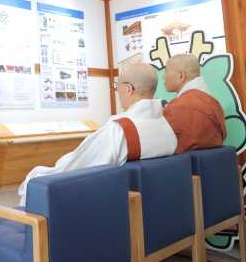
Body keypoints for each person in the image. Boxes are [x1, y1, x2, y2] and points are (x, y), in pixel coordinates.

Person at [18, 63, 176, 205]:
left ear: (128, 89)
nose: (117, 91)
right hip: (158, 203)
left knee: (35, 180)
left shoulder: (119, 130)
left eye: (117, 86)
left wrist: (36, 176)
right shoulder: (165, 126)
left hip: (113, 205)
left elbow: (75, 169)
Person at [162, 53, 227, 153]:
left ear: (181, 75)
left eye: (166, 71)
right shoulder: (214, 104)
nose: (163, 76)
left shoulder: (178, 106)